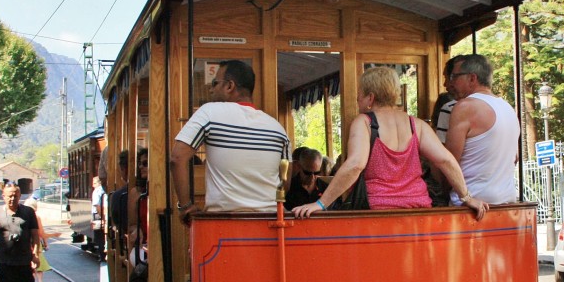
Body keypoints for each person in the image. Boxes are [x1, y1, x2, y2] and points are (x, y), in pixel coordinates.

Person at [292, 66, 487, 220]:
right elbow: (446, 161)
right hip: (418, 210)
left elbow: (355, 165)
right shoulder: (416, 125)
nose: (357, 98)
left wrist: (320, 204)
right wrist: (467, 197)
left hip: (378, 213)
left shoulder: (364, 123)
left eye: (359, 93)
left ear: (370, 97)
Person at [170, 60, 290, 223]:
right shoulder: (278, 129)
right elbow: (285, 181)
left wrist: (185, 207)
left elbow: (177, 158)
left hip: (224, 223)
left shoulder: (209, 112)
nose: (211, 89)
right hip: (271, 222)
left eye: (215, 83)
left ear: (229, 86)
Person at [444, 54, 520, 205]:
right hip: (506, 200)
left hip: (473, 203)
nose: (451, 83)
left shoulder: (466, 106)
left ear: (472, 78)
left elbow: (450, 161)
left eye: (455, 76)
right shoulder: (507, 108)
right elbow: (515, 157)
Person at [25, 199, 61, 282]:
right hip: (35, 244)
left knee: (28, 266)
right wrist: (54, 235)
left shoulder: (22, 216)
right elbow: (41, 234)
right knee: (38, 264)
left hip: (24, 244)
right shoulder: (36, 217)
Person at [91, 175, 106, 261]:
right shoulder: (104, 189)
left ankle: (102, 256)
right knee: (103, 236)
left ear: (98, 183)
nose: (93, 185)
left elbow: (97, 205)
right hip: (103, 214)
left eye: (94, 183)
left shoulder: (97, 191)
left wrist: (102, 217)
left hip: (98, 215)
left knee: (99, 237)